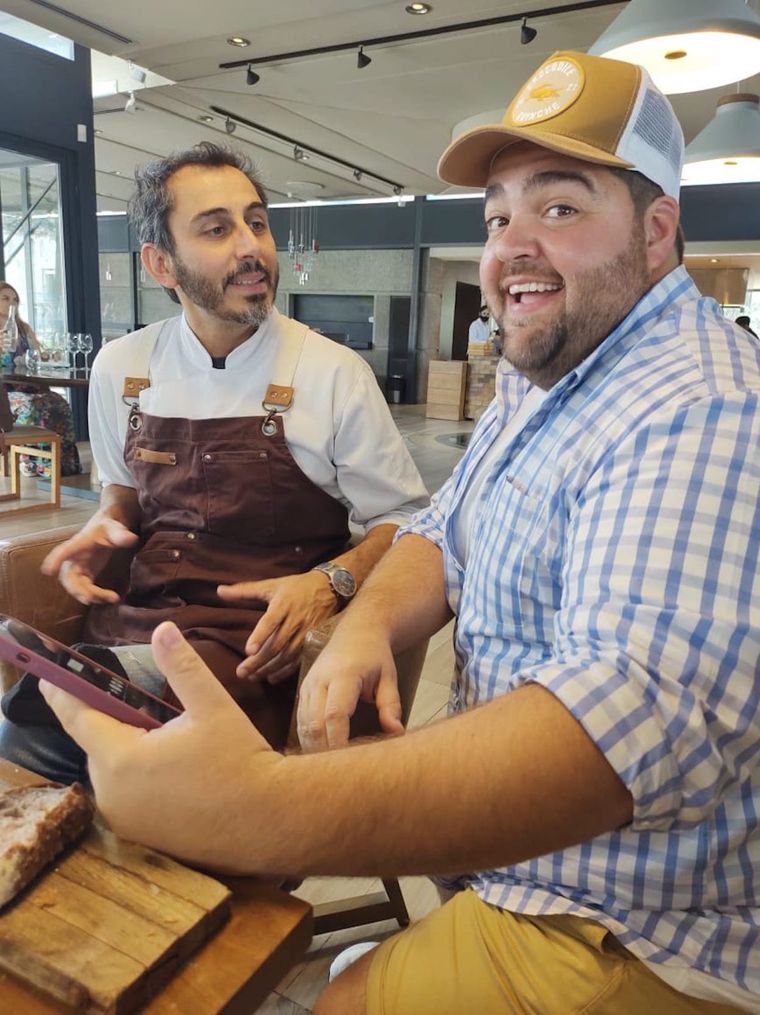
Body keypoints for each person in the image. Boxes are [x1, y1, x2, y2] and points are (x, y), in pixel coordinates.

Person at [41, 51, 760, 1014]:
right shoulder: (545, 376)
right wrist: (373, 619)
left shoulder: (699, 407)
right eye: (498, 214)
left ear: (660, 230)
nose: (512, 246)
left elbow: (608, 740)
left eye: (560, 207)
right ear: (160, 265)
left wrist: (260, 803)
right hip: (507, 861)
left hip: (621, 915)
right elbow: (440, 525)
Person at [0, 141, 427, 779]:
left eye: (256, 222)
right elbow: (123, 490)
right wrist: (105, 522)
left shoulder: (331, 372)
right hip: (136, 619)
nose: (251, 246)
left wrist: (329, 582)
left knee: (98, 742)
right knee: (40, 725)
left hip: (253, 646)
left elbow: (410, 521)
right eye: (217, 229)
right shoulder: (124, 367)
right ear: (160, 264)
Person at [0, 282, 82, 476]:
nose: (12, 303)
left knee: (59, 403)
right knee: (35, 406)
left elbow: (36, 357)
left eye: (15, 300)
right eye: (6, 298)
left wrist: (46, 356)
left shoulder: (24, 329)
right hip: (5, 394)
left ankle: (62, 464)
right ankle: (31, 462)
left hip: (30, 387)